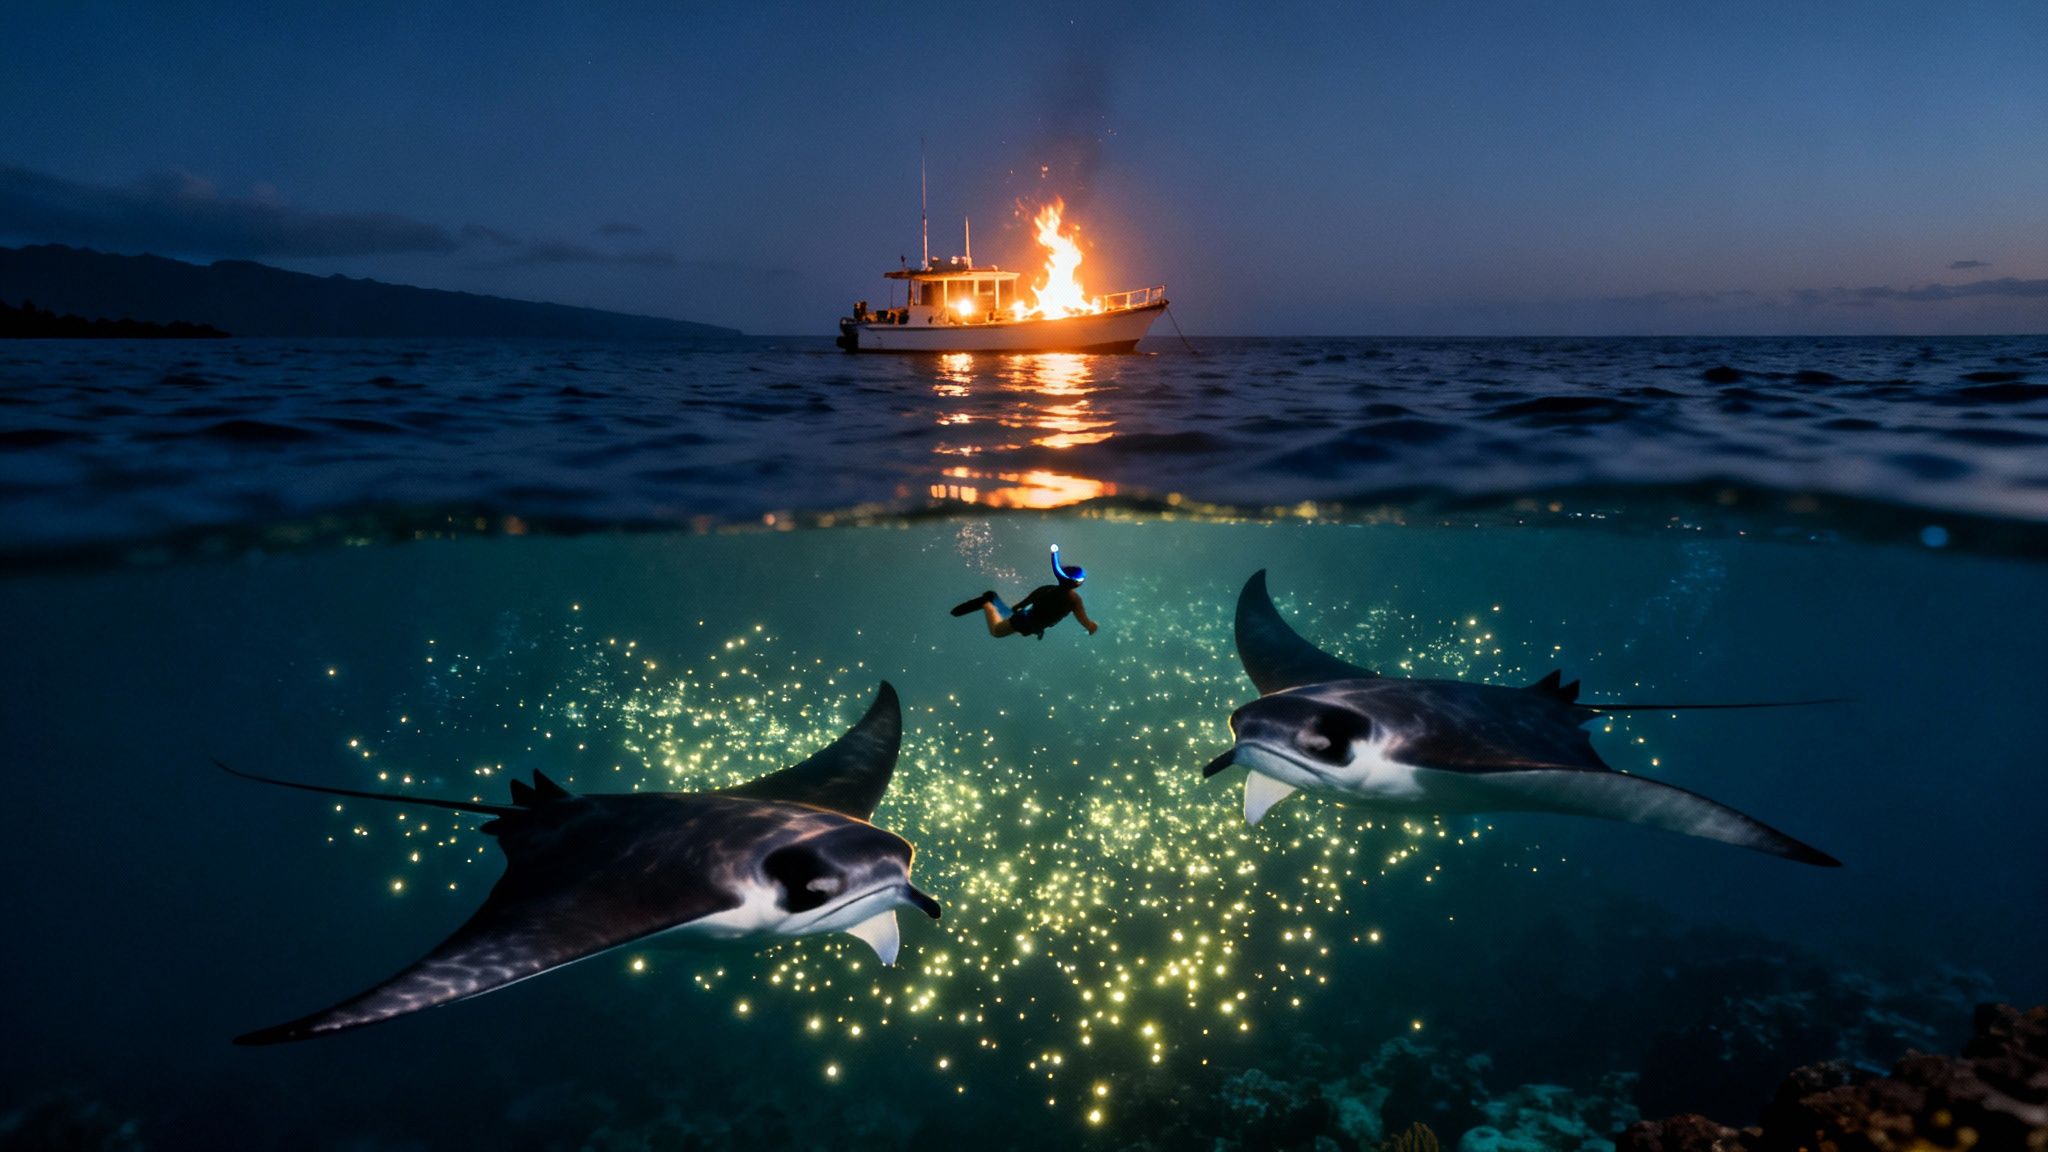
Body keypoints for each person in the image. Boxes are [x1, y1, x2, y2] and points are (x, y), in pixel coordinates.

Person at [950, 545, 1100, 640]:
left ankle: (992, 601)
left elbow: (1026, 601)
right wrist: (1090, 626)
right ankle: (988, 603)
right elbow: (1082, 619)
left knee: (1009, 614)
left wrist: (1019, 607)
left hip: (1028, 620)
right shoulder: (1074, 600)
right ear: (1077, 583)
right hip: (1028, 622)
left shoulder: (1047, 589)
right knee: (996, 631)